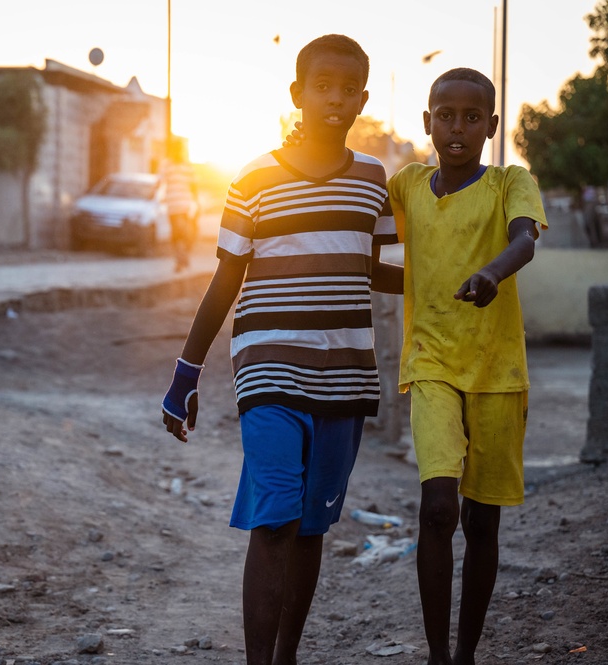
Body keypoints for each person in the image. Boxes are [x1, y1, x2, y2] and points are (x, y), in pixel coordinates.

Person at [161, 34, 402, 664]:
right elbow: (225, 278)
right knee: (274, 521)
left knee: (312, 527)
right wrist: (186, 374)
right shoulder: (254, 177)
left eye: (349, 89)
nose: (335, 98)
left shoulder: (376, 182)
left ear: (363, 100)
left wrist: (477, 259)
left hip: (345, 374)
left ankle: (286, 656)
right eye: (323, 86)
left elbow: (391, 271)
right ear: (298, 94)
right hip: (267, 367)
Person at [387, 68, 547, 665]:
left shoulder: (510, 182)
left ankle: (465, 654)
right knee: (437, 508)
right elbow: (383, 251)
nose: (457, 127)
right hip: (431, 363)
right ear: (427, 123)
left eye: (471, 117)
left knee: (482, 523)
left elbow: (525, 240)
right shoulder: (405, 185)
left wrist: (491, 274)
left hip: (498, 372)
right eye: (445, 115)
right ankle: (435, 655)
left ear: (492, 126)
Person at [163, 138, 198, 272]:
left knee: (182, 234)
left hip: (183, 205)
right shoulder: (167, 165)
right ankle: (181, 259)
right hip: (174, 205)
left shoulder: (186, 166)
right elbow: (160, 182)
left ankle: (181, 258)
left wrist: (196, 202)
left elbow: (194, 185)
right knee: (178, 234)